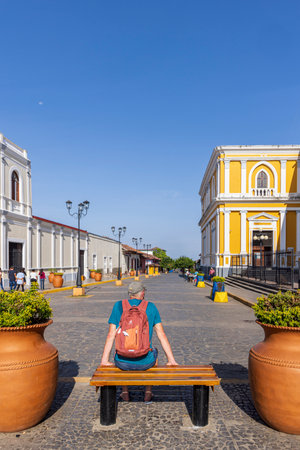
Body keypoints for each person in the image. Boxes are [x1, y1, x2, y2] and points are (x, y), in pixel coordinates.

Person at [100, 281, 178, 402]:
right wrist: (171, 360)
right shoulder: (151, 307)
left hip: (122, 362)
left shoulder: (118, 306)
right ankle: (148, 392)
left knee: (121, 349)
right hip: (145, 362)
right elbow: (161, 335)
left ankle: (125, 393)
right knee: (154, 352)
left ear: (130, 294)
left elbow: (111, 335)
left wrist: (104, 360)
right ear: (142, 293)